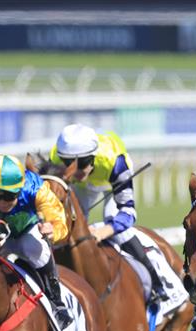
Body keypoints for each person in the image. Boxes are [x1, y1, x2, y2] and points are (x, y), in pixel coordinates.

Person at [49, 123, 169, 306]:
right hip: (82, 187)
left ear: (94, 156)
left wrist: (101, 232)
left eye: (82, 163)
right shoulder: (55, 159)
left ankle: (156, 282)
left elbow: (128, 213)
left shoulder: (115, 161)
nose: (77, 170)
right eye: (69, 164)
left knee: (112, 219)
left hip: (109, 180)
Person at [0, 154, 73, 328]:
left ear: (20, 189)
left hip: (27, 231)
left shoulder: (36, 187)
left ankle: (56, 302)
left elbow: (57, 216)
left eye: (8, 196)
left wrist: (53, 228)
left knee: (36, 250)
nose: (1, 202)